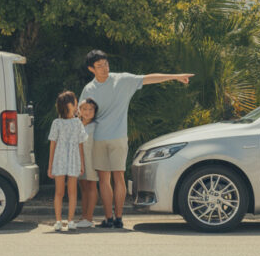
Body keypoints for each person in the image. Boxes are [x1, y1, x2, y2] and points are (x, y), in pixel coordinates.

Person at [79, 50, 193, 229]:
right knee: (106, 179)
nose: (104, 69)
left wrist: (175, 76)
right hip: (99, 138)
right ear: (91, 69)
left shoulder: (121, 80)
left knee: (116, 177)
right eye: (99, 66)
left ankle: (117, 218)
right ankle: (110, 218)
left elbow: (148, 78)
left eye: (106, 64)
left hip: (117, 138)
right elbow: (82, 115)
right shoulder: (89, 88)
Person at [47, 91, 87, 232]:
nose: (76, 106)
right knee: (59, 192)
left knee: (72, 192)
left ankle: (70, 221)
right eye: (74, 103)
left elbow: (80, 144)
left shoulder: (78, 123)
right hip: (59, 160)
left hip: (74, 159)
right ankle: (58, 221)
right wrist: (49, 165)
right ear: (68, 105)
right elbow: (53, 144)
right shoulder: (56, 123)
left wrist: (82, 163)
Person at [75, 99, 100, 228]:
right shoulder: (77, 124)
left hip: (91, 159)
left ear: (95, 112)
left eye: (90, 109)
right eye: (84, 109)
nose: (87, 112)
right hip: (79, 159)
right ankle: (84, 216)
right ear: (79, 110)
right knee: (83, 187)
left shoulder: (96, 126)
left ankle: (89, 218)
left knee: (91, 186)